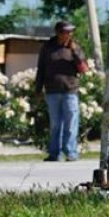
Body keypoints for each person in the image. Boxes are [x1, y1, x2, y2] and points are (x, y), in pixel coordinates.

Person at [35, 20, 87, 161]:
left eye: (70, 31)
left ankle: (70, 152)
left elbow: (83, 69)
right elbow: (41, 69)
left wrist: (74, 52)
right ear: (58, 33)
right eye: (66, 31)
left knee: (71, 123)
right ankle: (54, 153)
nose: (69, 34)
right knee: (55, 124)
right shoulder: (47, 48)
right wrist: (38, 89)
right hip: (52, 91)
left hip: (70, 91)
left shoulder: (75, 47)